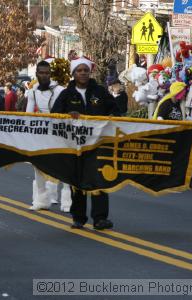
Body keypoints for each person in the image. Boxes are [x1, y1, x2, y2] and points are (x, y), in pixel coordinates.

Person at [51, 57, 117, 230]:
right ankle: (78, 218)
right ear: (73, 74)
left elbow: (116, 109)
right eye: (79, 71)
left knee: (99, 180)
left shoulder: (100, 92)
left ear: (90, 72)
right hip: (75, 145)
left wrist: (109, 117)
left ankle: (100, 218)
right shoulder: (66, 94)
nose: (83, 73)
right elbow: (54, 116)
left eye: (85, 70)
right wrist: (67, 116)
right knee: (77, 181)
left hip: (98, 144)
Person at [26, 60, 72, 212]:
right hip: (40, 132)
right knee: (38, 166)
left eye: (47, 73)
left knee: (64, 166)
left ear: (50, 74)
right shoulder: (32, 91)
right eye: (41, 73)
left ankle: (67, 201)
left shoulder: (59, 90)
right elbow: (28, 114)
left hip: (59, 131)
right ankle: (41, 199)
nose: (44, 76)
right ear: (37, 74)